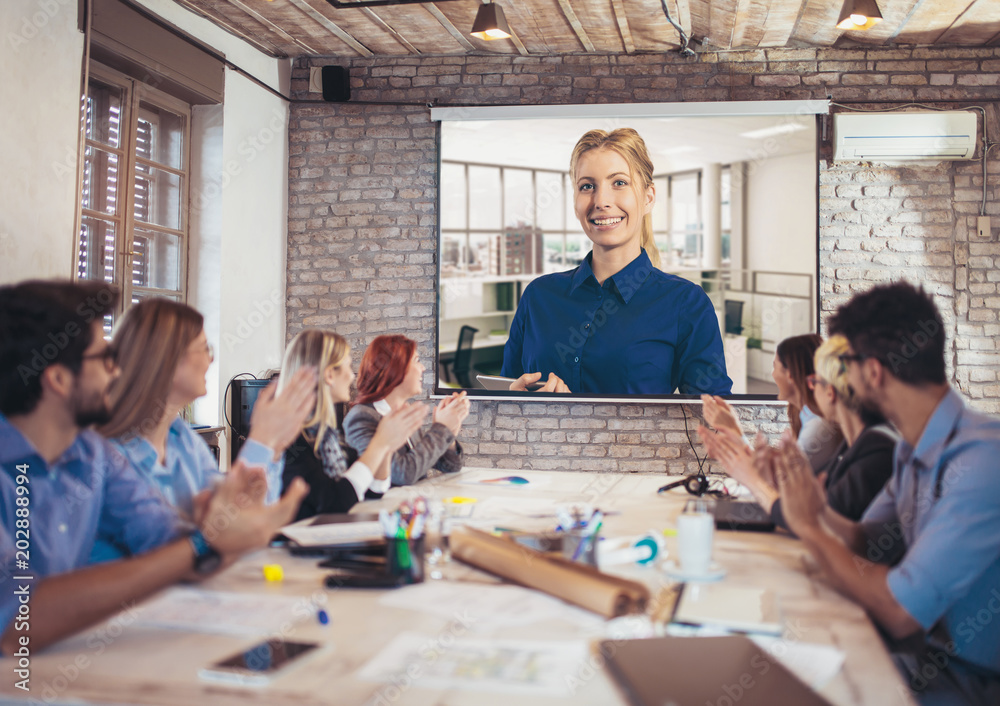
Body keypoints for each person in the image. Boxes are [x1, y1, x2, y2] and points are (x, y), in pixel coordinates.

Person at [0, 280, 308, 653]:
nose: (116, 370)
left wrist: (224, 527)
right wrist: (206, 541)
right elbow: (18, 619)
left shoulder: (92, 454)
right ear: (59, 379)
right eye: (104, 358)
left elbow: (166, 542)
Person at [768, 281, 1000, 705]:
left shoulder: (982, 462)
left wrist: (811, 529)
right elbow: (868, 541)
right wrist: (818, 511)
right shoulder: (912, 446)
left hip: (970, 682)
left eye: (847, 362)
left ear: (872, 371)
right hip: (920, 656)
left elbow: (899, 611)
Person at [500, 127, 731, 395]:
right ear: (575, 201)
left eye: (619, 183)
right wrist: (513, 399)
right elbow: (505, 395)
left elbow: (714, 423)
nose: (601, 201)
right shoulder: (538, 296)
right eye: (587, 186)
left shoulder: (686, 303)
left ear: (648, 197)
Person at [95, 299, 313, 554]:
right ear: (167, 359)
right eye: (204, 348)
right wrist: (262, 441)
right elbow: (189, 548)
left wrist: (273, 446)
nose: (211, 358)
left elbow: (241, 520)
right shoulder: (109, 453)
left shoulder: (180, 437)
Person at [699, 334, 897, 531]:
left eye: (814, 381)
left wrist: (752, 474)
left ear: (830, 391)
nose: (811, 389)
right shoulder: (853, 445)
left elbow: (811, 519)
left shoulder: (868, 447)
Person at [279, 330, 429, 520]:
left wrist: (387, 447)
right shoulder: (291, 439)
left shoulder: (328, 435)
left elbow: (372, 491)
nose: (352, 377)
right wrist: (380, 443)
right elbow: (335, 503)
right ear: (329, 376)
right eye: (348, 367)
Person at [702, 333, 841, 473]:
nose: (772, 374)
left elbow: (775, 484)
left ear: (790, 375)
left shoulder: (818, 428)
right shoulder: (805, 416)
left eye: (775, 367)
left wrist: (734, 432)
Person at [344, 335, 469, 486]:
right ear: (396, 368)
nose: (423, 368)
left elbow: (451, 466)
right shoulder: (362, 417)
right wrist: (441, 429)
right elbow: (401, 474)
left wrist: (449, 431)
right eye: (417, 360)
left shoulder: (403, 411)